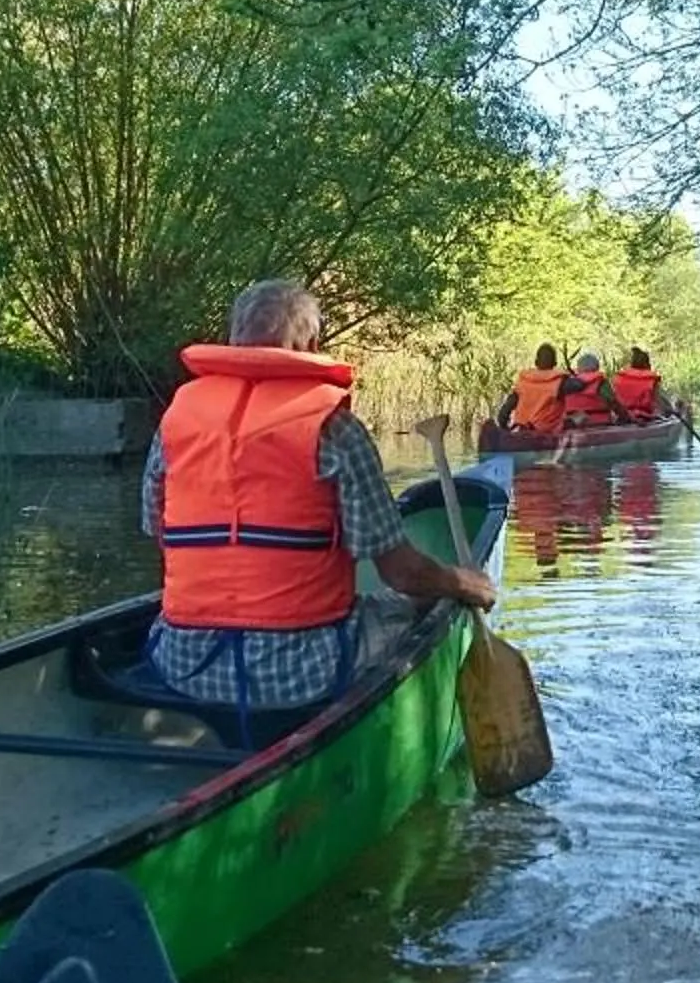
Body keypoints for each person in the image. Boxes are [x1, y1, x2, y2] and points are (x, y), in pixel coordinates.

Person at [139, 280, 499, 736]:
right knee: (422, 598)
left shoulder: (176, 424)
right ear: (311, 345)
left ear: (232, 341)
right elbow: (402, 574)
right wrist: (461, 583)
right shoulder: (336, 429)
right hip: (306, 672)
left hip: (184, 666)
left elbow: (158, 530)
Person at [495, 341, 569, 431]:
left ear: (536, 362)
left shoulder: (523, 382)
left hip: (522, 432)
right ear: (555, 363)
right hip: (547, 435)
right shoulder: (560, 383)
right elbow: (578, 386)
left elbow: (504, 413)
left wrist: (505, 429)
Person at [558, 349, 631, 427]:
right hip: (599, 424)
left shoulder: (568, 383)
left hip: (573, 425)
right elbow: (614, 403)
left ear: (579, 368)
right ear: (597, 367)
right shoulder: (601, 383)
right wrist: (626, 417)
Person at [610, 346, 671, 422]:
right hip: (645, 418)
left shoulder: (619, 378)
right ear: (646, 364)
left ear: (632, 364)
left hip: (624, 418)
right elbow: (659, 401)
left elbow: (614, 401)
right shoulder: (650, 379)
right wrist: (670, 410)